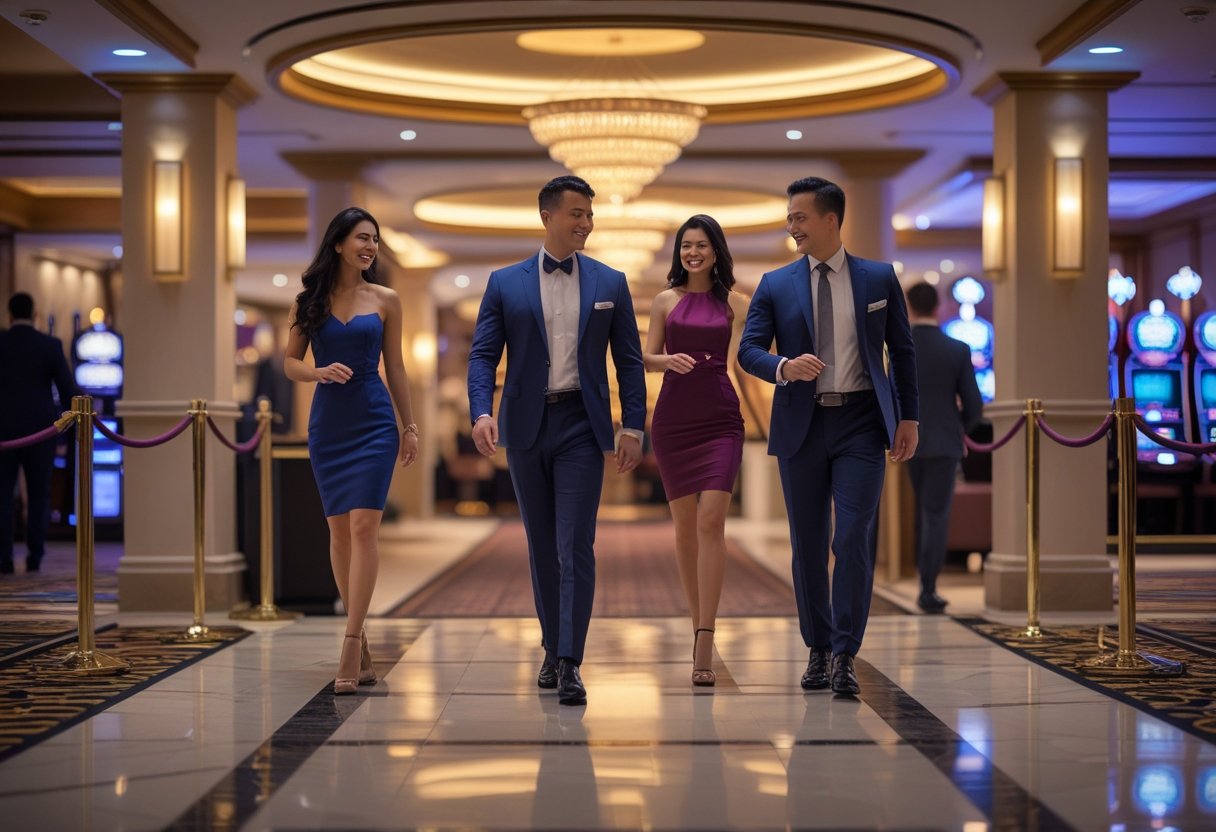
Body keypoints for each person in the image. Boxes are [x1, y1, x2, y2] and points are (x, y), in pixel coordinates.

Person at [468, 175, 647, 706]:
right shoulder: (505, 282)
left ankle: (570, 660)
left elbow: (630, 361)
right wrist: (481, 411)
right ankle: (552, 645)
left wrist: (632, 425)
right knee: (542, 545)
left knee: (576, 544)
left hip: (581, 426)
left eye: (590, 214)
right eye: (576, 213)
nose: (585, 223)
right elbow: (482, 355)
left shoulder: (610, 283)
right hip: (525, 426)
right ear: (547, 216)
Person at [738, 176, 919, 696]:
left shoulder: (878, 279)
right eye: (789, 217)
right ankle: (817, 648)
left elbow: (902, 352)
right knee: (809, 544)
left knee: (853, 536)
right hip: (803, 424)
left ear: (831, 220)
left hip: (862, 422)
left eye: (798, 217)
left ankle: (845, 652)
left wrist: (908, 417)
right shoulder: (775, 284)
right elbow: (748, 350)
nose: (790, 226)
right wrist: (783, 366)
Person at [284, 207, 419, 695]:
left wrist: (410, 426)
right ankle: (358, 638)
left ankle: (351, 638)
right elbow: (289, 363)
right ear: (339, 243)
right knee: (338, 534)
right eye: (363, 238)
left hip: (375, 422)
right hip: (328, 426)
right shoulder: (309, 302)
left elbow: (397, 367)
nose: (371, 247)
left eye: (376, 241)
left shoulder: (386, 300)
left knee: (363, 527)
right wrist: (318, 373)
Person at [643, 215, 747, 687]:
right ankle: (695, 623)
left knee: (712, 522)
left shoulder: (736, 304)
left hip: (721, 417)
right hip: (673, 419)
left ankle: (705, 637)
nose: (693, 253)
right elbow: (641, 355)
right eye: (686, 245)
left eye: (702, 245)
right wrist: (666, 359)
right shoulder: (665, 300)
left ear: (716, 250)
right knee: (685, 529)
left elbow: (752, 357)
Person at [905, 282, 983, 614]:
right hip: (946, 443)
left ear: (909, 307)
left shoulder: (900, 347)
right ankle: (928, 588)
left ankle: (925, 583)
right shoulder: (957, 348)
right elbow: (975, 405)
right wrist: (959, 430)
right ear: (938, 307)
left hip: (909, 442)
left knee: (923, 512)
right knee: (936, 515)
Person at [0, 292, 76, 575]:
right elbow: (67, 390)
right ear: (34, 315)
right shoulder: (49, 345)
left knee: (3, 496)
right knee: (39, 494)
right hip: (41, 430)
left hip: (3, 430)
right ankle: (35, 557)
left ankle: (4, 559)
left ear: (9, 315)